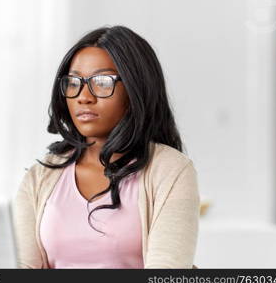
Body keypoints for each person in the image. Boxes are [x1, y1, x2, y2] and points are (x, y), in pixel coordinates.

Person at [12, 25, 200, 269]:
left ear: (136, 88)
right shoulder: (39, 177)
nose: (83, 96)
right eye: (74, 82)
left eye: (102, 81)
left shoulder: (171, 171)